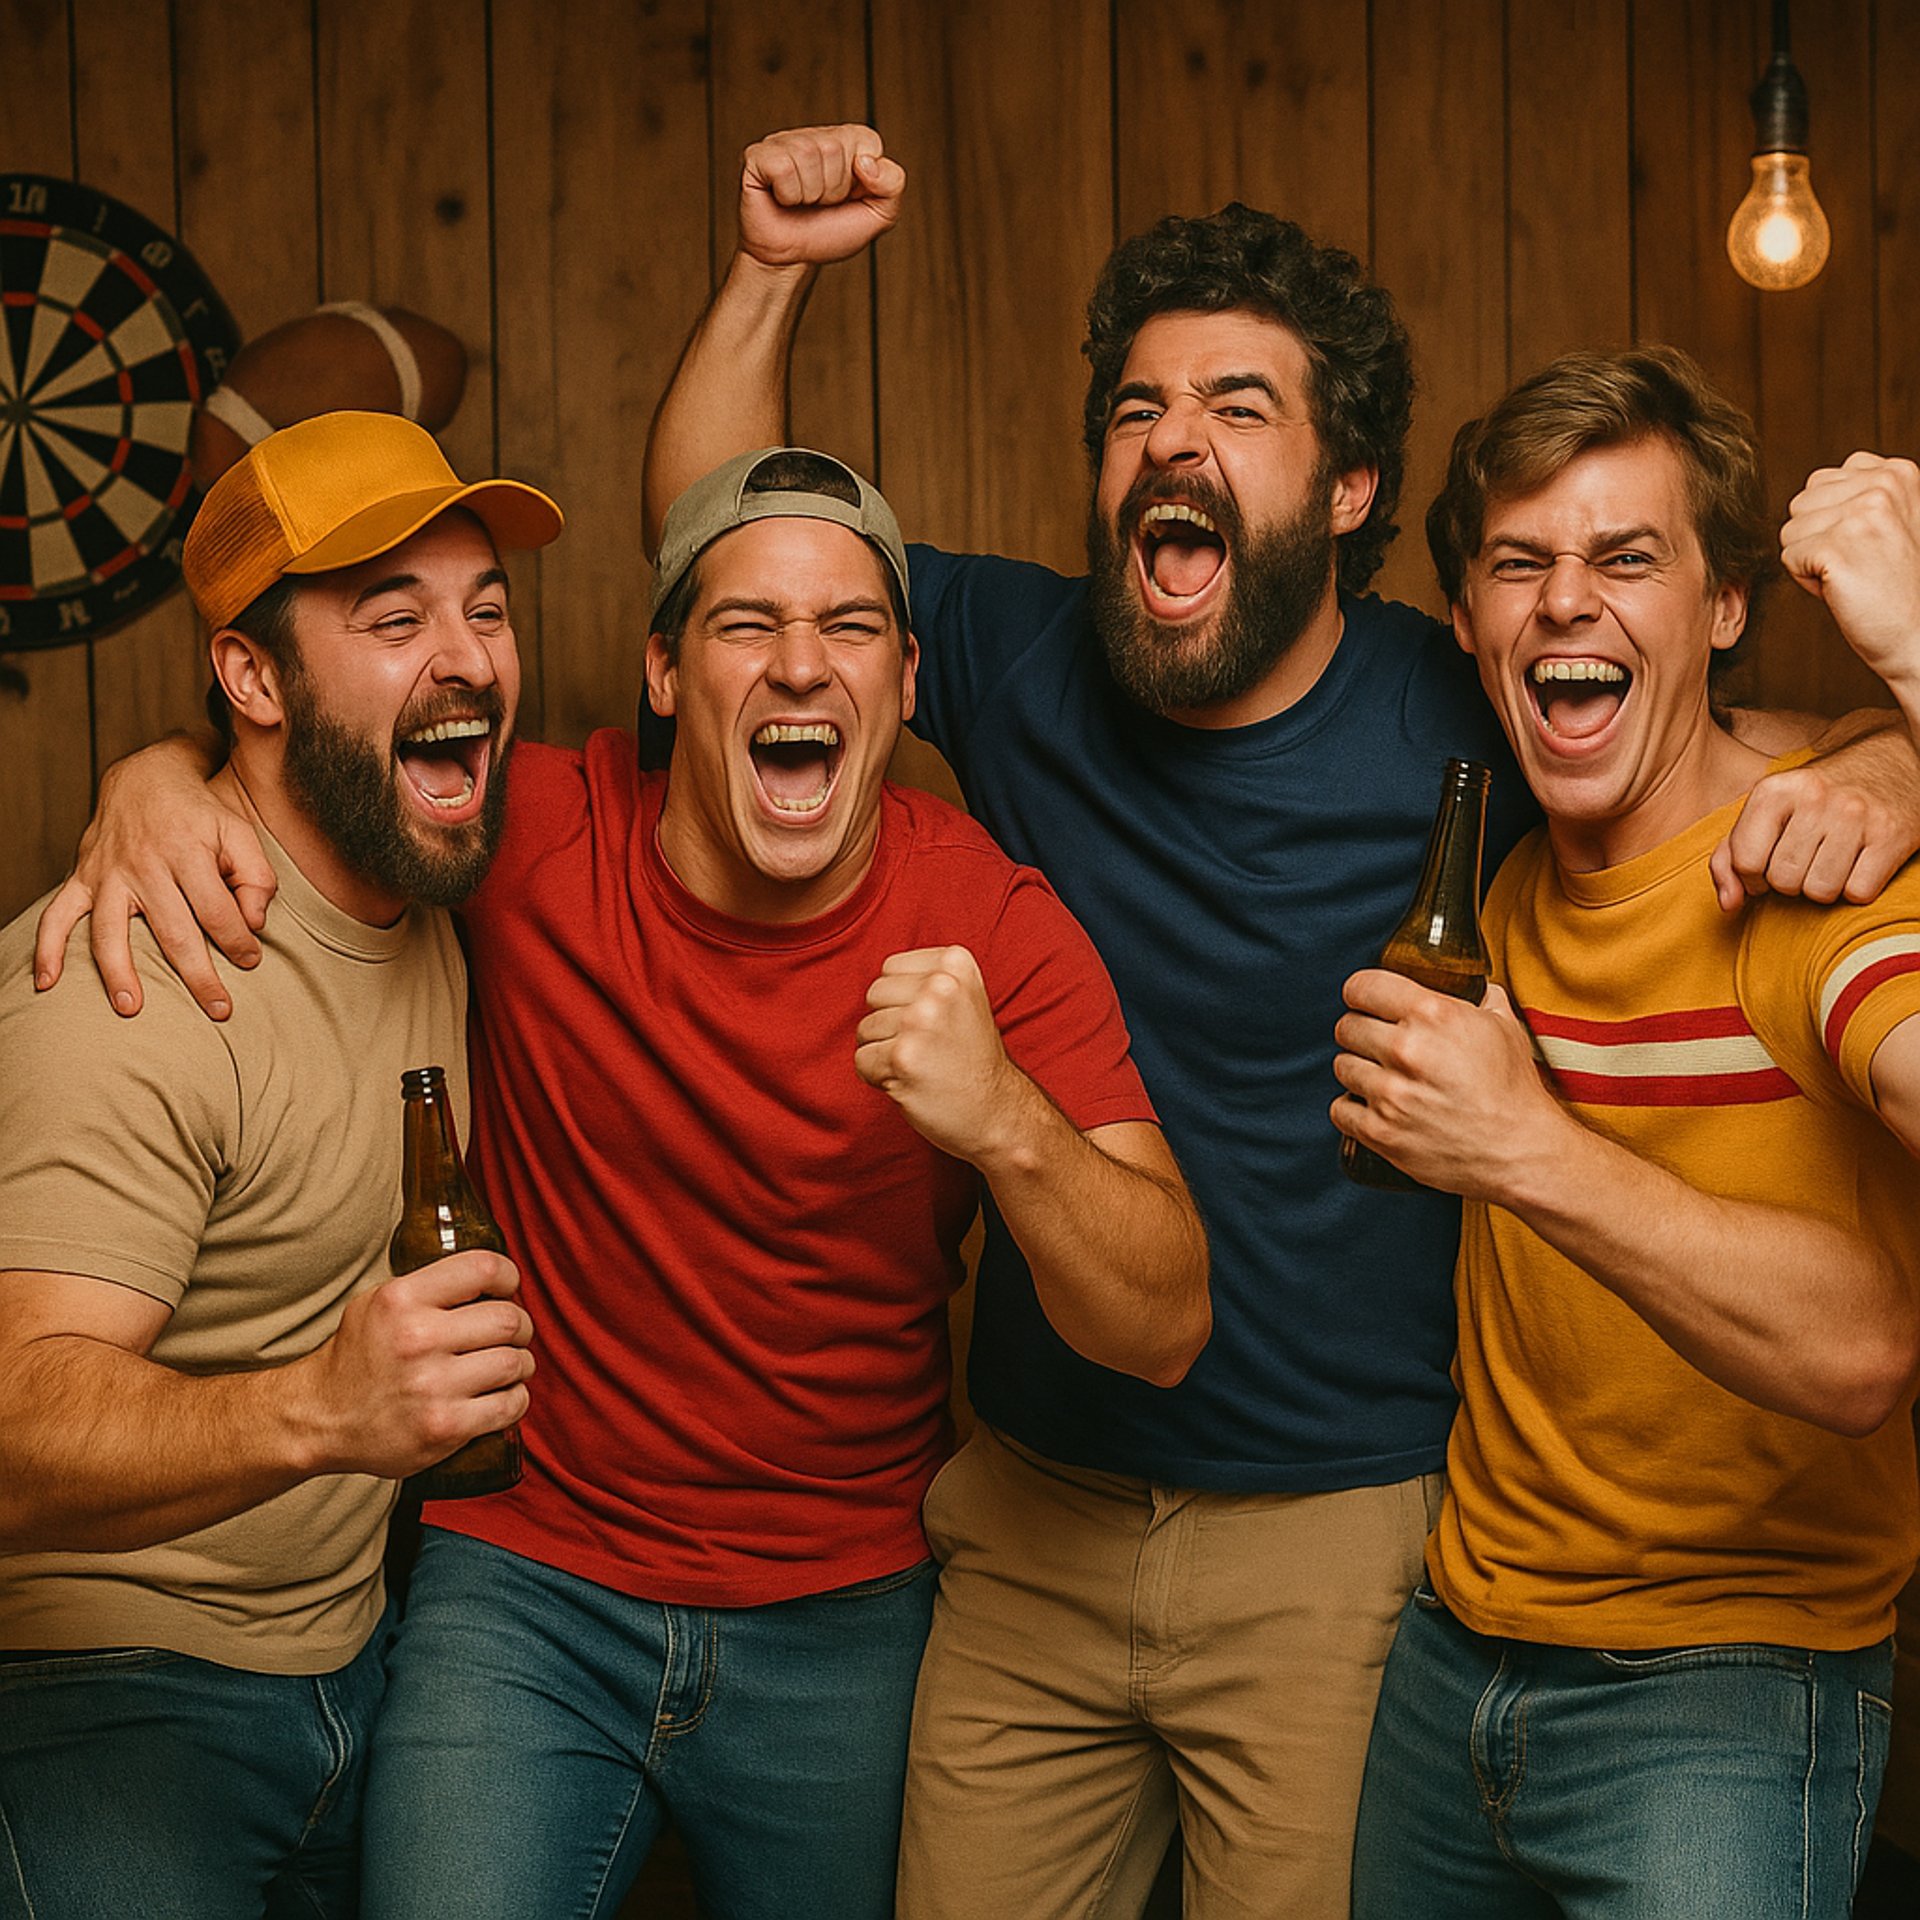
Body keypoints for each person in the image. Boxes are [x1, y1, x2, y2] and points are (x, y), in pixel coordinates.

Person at [637, 126, 1920, 1917]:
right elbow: (732, 551)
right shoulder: (1019, 658)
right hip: (1029, 1516)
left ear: (1343, 492)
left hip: (1351, 1540)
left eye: (1240, 408)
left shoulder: (1469, 698)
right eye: (1141, 409)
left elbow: (1731, 743)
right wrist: (772, 266)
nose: (1174, 440)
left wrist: (1893, 760)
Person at [37, 445, 1209, 1919]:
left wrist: (1009, 1123)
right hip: (523, 1586)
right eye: (744, 627)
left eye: (848, 628)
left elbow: (1163, 1324)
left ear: (906, 681)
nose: (800, 668)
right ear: (663, 673)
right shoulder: (518, 835)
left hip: (843, 1605)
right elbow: (310, 773)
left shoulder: (990, 921)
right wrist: (148, 784)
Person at [1335, 348, 1920, 1918]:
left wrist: (1522, 1145)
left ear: (1723, 607)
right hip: (1455, 1658)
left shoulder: (1820, 875)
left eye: (1626, 557)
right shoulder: (1510, 882)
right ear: (1465, 621)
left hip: (1730, 1693)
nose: (1565, 600)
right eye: (1519, 563)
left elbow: (1868, 1349)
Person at [0, 410, 554, 1919]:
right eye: (396, 618)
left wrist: (160, 765)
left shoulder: (426, 878)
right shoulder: (125, 984)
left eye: (486, 608)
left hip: (363, 1668)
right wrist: (325, 1405)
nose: (470, 658)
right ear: (252, 677)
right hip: (101, 1693)